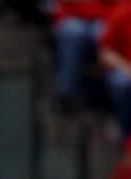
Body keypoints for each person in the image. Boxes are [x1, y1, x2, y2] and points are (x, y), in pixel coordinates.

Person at [53, 1, 122, 109]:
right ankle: (68, 92)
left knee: (104, 34)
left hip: (106, 16)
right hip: (72, 15)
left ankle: (111, 92)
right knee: (73, 32)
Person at [100, 1, 131, 139]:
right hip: (123, 68)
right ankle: (124, 133)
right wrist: (126, 68)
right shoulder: (123, 10)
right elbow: (105, 52)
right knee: (122, 82)